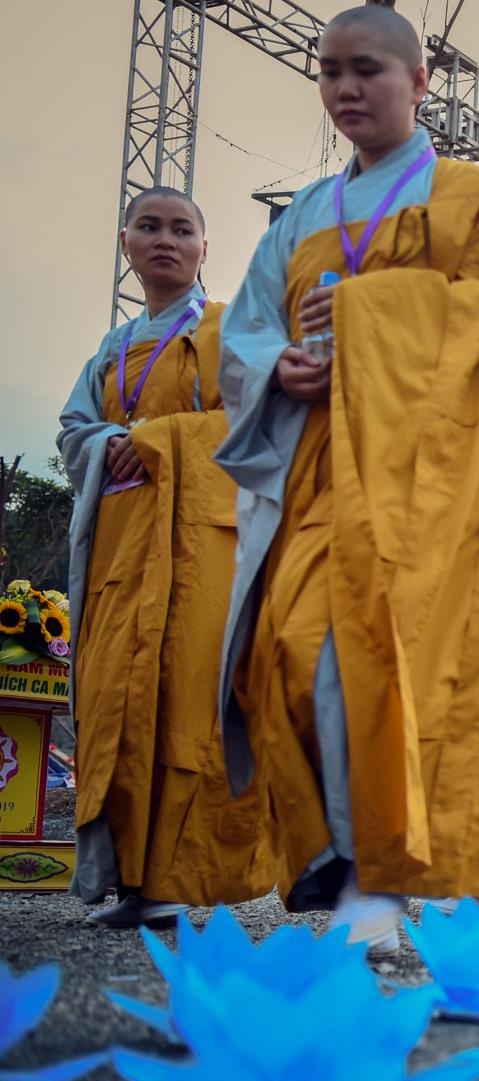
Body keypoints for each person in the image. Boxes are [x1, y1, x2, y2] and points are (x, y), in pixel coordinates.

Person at [217, 8, 479, 951]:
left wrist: (378, 314)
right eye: (330, 72)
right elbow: (250, 325)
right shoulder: (305, 213)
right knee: (291, 651)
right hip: (318, 474)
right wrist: (278, 368)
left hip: (432, 491)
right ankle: (342, 863)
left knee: (380, 669)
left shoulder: (467, 195)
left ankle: (374, 886)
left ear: (420, 82)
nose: (347, 89)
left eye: (368, 70)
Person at [58, 188, 270, 927]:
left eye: (183, 229)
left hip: (197, 554)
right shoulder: (112, 351)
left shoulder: (222, 333)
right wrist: (103, 443)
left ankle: (180, 880)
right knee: (117, 702)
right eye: (149, 227)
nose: (166, 240)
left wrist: (154, 440)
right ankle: (132, 882)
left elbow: (253, 423)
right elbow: (74, 430)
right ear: (127, 243)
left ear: (205, 250)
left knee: (186, 704)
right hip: (120, 551)